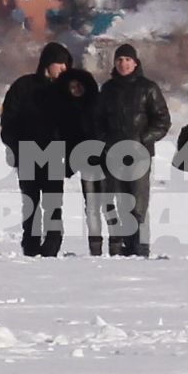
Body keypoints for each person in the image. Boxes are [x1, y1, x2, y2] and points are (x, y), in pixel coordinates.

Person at [94, 43, 171, 257]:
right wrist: (105, 141)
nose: (123, 64)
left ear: (135, 63)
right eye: (119, 60)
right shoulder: (108, 89)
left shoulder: (148, 88)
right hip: (113, 155)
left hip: (139, 155)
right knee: (116, 202)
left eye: (127, 60)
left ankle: (140, 248)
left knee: (138, 205)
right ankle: (117, 249)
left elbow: (162, 121)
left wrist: (142, 139)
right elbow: (98, 121)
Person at [0, 42, 73, 257]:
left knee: (53, 204)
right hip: (27, 152)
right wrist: (15, 148)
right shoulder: (23, 86)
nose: (63, 69)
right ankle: (30, 247)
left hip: (54, 154)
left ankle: (51, 246)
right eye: (59, 63)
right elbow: (8, 121)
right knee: (30, 204)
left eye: (66, 65)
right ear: (48, 63)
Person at [62, 66, 108, 256]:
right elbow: (69, 138)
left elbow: (108, 129)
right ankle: (95, 247)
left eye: (79, 87)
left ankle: (116, 244)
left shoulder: (99, 104)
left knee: (109, 203)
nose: (76, 91)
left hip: (106, 160)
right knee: (91, 206)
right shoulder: (68, 110)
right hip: (85, 163)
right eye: (71, 88)